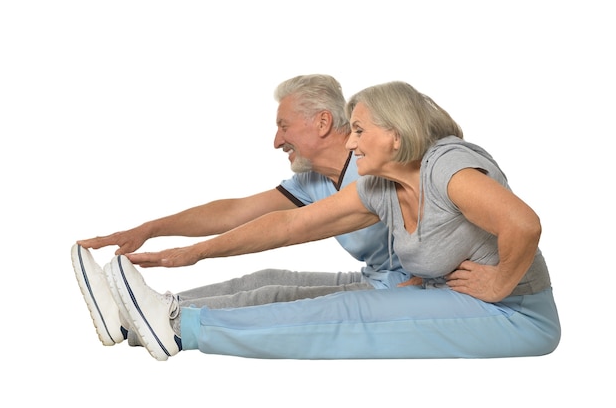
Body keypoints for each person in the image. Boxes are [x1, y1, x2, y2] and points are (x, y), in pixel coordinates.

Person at [94, 80, 561, 361]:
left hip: (514, 314)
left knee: (348, 315)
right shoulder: (379, 186)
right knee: (275, 281)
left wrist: (499, 283)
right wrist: (188, 252)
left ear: (395, 135)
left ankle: (180, 329)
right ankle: (146, 320)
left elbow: (524, 223)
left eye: (359, 130)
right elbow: (288, 226)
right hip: (445, 295)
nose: (352, 141)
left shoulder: (446, 166)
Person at [73, 74, 411, 348]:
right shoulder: (314, 180)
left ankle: (173, 322)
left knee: (272, 295)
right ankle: (133, 318)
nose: (277, 141)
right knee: (264, 279)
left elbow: (289, 227)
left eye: (285, 126)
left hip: (400, 288)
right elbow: (235, 212)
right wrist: (150, 229)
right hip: (377, 276)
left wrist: (193, 253)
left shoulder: (373, 166)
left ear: (322, 122)